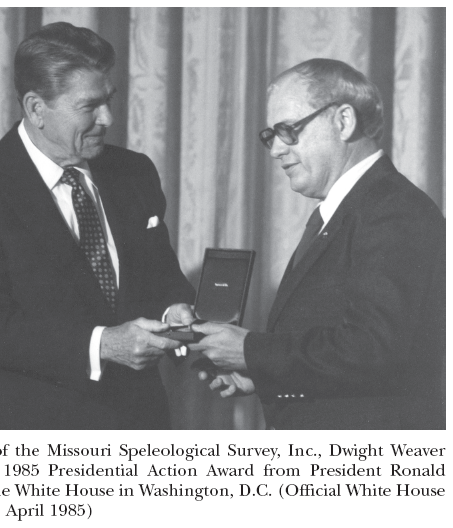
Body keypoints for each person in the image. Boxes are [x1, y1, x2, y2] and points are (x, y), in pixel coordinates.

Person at [0, 22, 195, 430]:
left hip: (141, 425)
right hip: (33, 434)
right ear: (36, 109)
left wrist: (174, 309)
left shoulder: (134, 172)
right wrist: (103, 345)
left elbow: (162, 277)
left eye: (109, 100)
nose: (107, 118)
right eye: (89, 106)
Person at [188, 58, 445, 430]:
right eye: (269, 136)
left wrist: (250, 350)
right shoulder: (352, 209)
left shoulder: (394, 209)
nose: (276, 149)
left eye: (288, 130)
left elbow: (373, 348)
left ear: (343, 121)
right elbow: (339, 345)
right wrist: (259, 373)